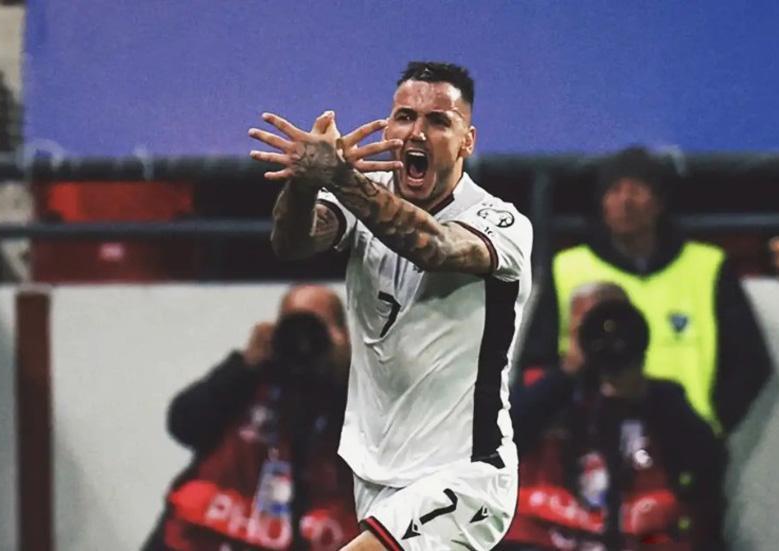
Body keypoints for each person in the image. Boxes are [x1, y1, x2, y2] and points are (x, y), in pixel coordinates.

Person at [248, 61, 533, 550]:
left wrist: (342, 178)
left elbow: (435, 247)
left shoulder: (501, 222)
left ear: (466, 141)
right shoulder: (363, 194)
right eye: (405, 116)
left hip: (465, 473)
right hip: (376, 472)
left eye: (438, 121)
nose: (416, 132)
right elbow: (292, 243)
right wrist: (305, 182)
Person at [521, 146, 771, 434]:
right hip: (592, 440)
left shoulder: (707, 267)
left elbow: (751, 363)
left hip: (684, 440)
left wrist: (712, 423)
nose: (625, 201)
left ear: (659, 202)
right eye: (614, 191)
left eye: (637, 190)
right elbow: (535, 367)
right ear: (602, 204)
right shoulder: (567, 268)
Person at [502, 282, 726, 550]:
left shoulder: (661, 397)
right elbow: (497, 442)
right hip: (547, 538)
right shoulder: (540, 389)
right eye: (590, 328)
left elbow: (708, 461)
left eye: (618, 329)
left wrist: (640, 394)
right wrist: (565, 376)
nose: (605, 340)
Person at [142, 285, 359, 551]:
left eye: (317, 327)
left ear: (344, 336)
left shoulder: (357, 400)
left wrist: (349, 373)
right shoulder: (251, 375)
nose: (305, 340)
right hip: (202, 537)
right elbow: (183, 424)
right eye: (295, 325)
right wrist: (244, 364)